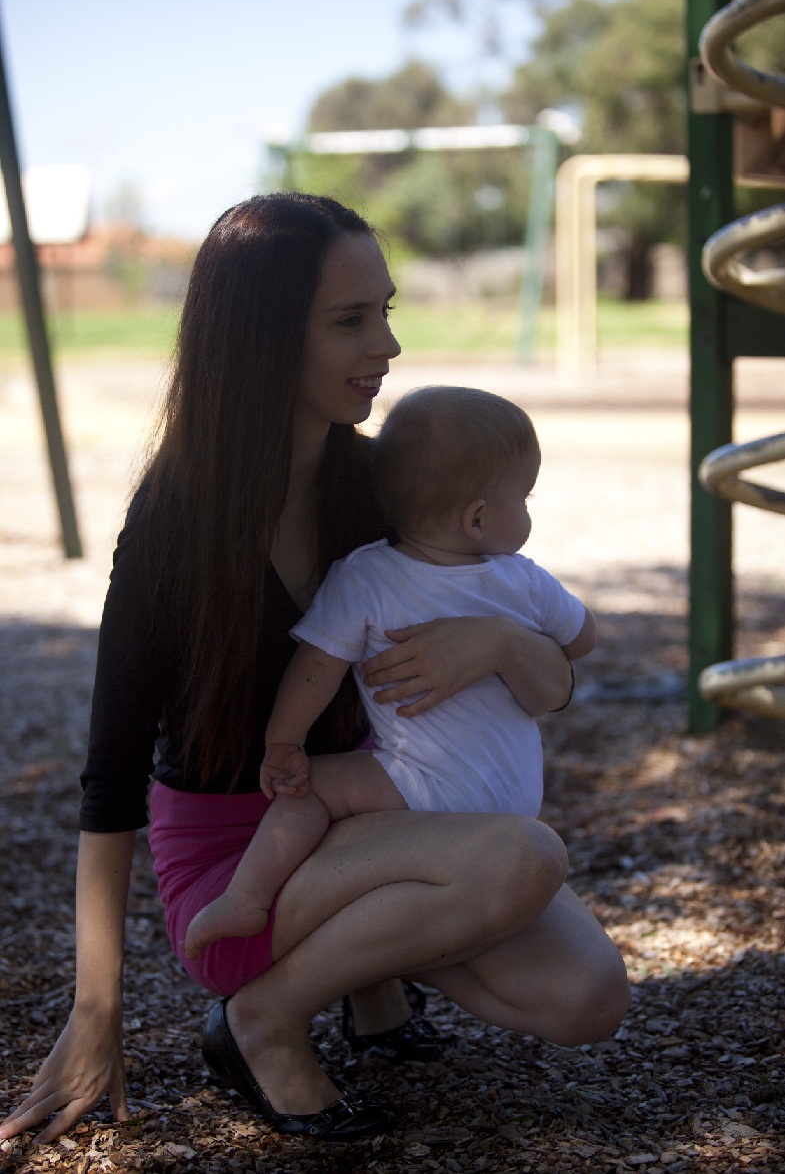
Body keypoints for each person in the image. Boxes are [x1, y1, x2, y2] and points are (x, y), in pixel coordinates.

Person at [0, 193, 630, 1148]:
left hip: (378, 820)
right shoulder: (176, 523)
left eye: (386, 311)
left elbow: (555, 673)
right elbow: (109, 777)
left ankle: (366, 975)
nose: (386, 344)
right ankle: (263, 1017)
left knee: (586, 995)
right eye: (350, 320)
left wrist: (499, 644)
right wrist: (96, 1014)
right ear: (262, 337)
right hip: (235, 863)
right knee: (523, 853)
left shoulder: (380, 487)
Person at [183, 386, 597, 962]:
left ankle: (248, 897)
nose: (529, 511)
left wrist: (284, 742)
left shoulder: (367, 577)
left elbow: (316, 667)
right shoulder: (522, 580)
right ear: (477, 519)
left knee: (309, 789)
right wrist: (527, 633)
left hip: (421, 791)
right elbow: (582, 640)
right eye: (524, 497)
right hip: (514, 802)